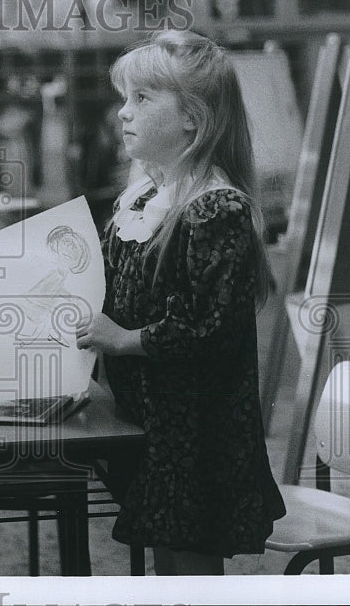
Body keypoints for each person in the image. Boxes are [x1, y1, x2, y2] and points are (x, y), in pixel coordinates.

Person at [74, 30, 286, 575]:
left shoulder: (216, 210)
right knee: (167, 558)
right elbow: (93, 273)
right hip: (153, 423)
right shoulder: (142, 196)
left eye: (142, 99)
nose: (123, 113)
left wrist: (123, 339)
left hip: (198, 435)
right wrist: (9, 271)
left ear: (193, 117)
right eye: (125, 97)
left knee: (190, 566)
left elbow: (209, 327)